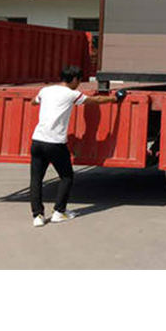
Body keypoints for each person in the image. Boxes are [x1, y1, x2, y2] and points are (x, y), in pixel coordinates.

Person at [29, 65, 116, 227]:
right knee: (66, 176)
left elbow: (33, 102)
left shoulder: (45, 90)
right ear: (74, 79)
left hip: (37, 141)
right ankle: (59, 212)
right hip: (55, 143)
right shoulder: (71, 94)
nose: (79, 84)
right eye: (79, 81)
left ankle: (38, 216)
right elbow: (95, 100)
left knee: (36, 179)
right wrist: (114, 99)